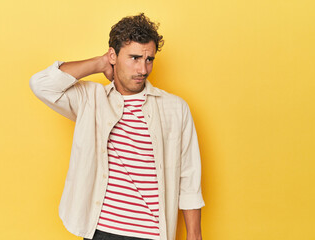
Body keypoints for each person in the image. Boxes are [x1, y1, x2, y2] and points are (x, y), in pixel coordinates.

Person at [30, 13, 205, 240]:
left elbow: (189, 177)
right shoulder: (91, 100)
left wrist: (195, 234)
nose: (143, 69)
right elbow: (41, 84)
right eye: (134, 58)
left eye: (149, 59)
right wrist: (100, 63)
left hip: (152, 234)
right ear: (113, 55)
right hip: (101, 231)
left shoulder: (175, 108)